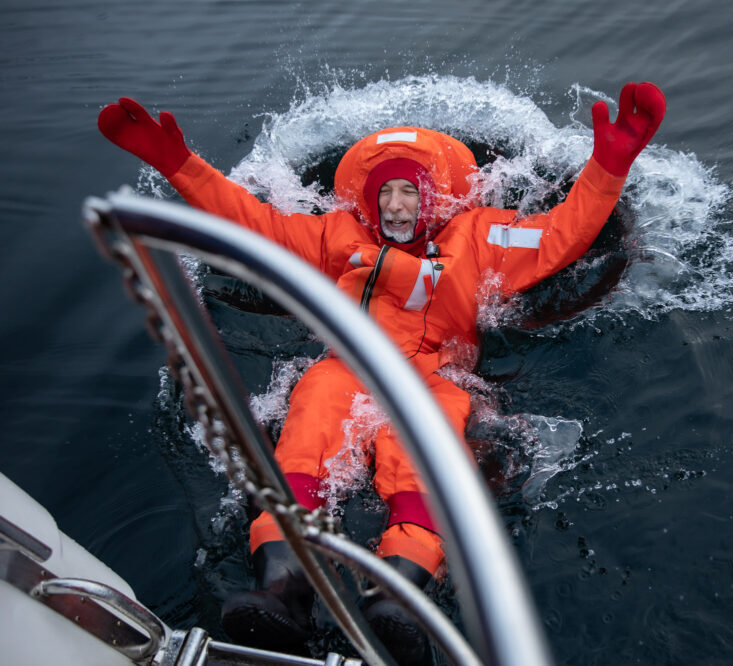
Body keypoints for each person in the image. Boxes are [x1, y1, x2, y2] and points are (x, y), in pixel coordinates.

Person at [98, 82, 665, 663]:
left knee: (422, 456)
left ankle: (399, 597)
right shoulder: (335, 236)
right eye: (384, 192)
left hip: (434, 377)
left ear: (434, 195)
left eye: (409, 191)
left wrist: (609, 165)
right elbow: (252, 223)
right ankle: (282, 586)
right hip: (348, 367)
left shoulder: (479, 237)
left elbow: (561, 235)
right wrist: (178, 163)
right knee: (311, 412)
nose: (395, 206)